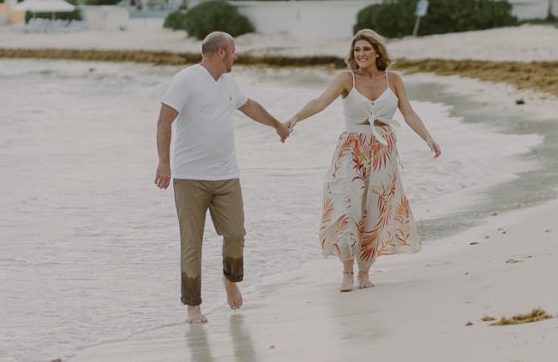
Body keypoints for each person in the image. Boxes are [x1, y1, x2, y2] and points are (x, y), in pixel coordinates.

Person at [289, 29, 441, 292]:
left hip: (383, 153)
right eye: (357, 50)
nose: (360, 54)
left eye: (366, 50)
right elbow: (320, 101)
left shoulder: (393, 79)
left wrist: (428, 138)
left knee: (375, 212)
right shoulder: (346, 79)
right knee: (346, 208)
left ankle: (364, 271)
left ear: (377, 52)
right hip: (351, 149)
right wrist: (294, 119)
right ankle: (347, 270)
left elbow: (408, 113)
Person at [155, 31, 290, 324]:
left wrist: (276, 124)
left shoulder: (229, 83)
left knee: (236, 233)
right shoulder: (186, 79)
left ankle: (230, 279)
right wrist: (164, 163)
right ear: (220, 53)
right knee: (192, 242)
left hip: (227, 176)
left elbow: (250, 106)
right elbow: (165, 119)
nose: (236, 56)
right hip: (190, 178)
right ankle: (193, 306)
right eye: (234, 51)